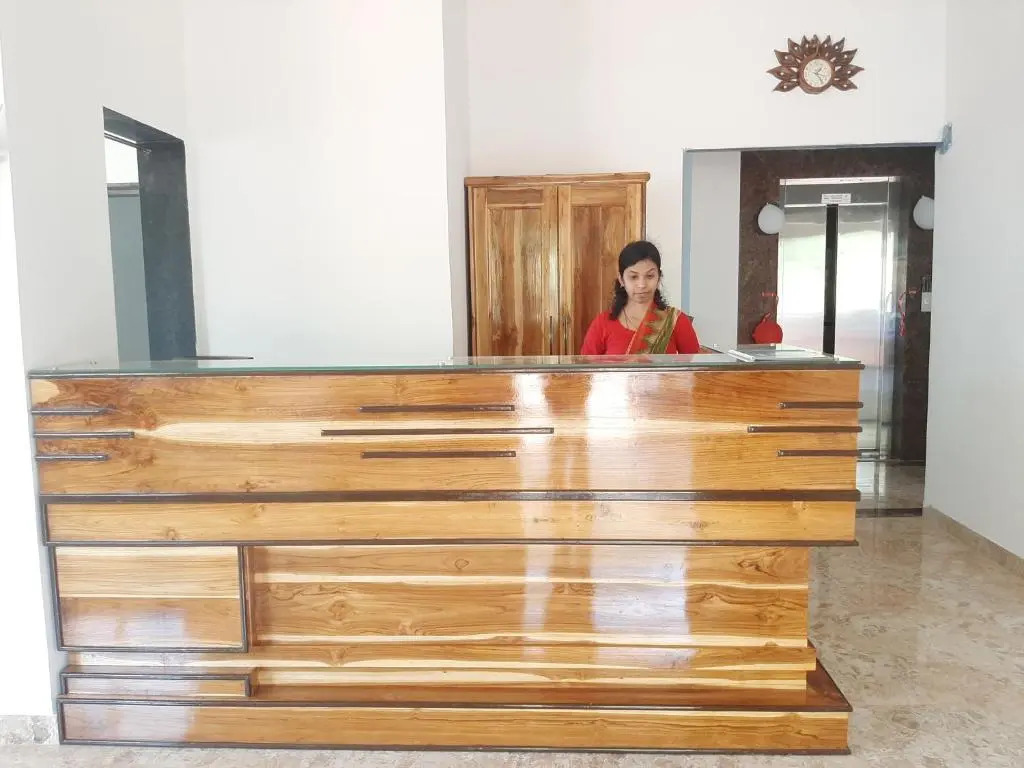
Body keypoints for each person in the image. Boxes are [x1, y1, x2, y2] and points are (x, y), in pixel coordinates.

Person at [580, 240, 700, 355]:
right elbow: (586, 368)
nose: (642, 285)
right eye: (633, 277)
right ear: (621, 280)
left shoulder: (676, 321)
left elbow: (697, 367)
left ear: (659, 278)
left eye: (650, 276)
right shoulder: (602, 324)